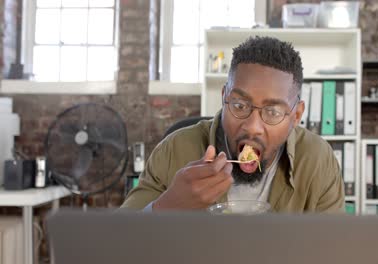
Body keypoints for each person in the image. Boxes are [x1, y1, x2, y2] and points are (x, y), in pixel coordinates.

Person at [121, 36, 344, 213]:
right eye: (239, 105)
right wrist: (167, 206)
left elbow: (335, 250)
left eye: (273, 111)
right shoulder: (174, 150)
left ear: (296, 115)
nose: (252, 127)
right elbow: (116, 243)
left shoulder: (318, 160)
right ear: (224, 97)